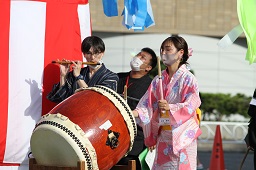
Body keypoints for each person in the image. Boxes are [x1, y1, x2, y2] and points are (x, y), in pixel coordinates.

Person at [133, 35, 202, 169]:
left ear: (180, 53)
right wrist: (131, 113)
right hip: (163, 136)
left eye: (168, 49)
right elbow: (146, 104)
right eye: (162, 50)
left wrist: (170, 107)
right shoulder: (158, 79)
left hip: (182, 137)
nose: (163, 53)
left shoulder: (188, 78)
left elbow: (192, 104)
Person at [116, 47, 157, 169]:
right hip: (113, 132)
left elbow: (152, 113)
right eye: (138, 55)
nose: (137, 58)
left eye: (142, 58)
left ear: (148, 68)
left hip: (136, 139)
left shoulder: (151, 85)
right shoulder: (117, 77)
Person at [47, 36, 119, 103]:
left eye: (96, 53)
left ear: (103, 53)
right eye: (89, 53)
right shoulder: (76, 73)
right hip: (74, 114)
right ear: (84, 54)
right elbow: (62, 100)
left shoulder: (111, 77)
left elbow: (94, 98)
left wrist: (78, 77)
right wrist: (63, 76)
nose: (93, 57)